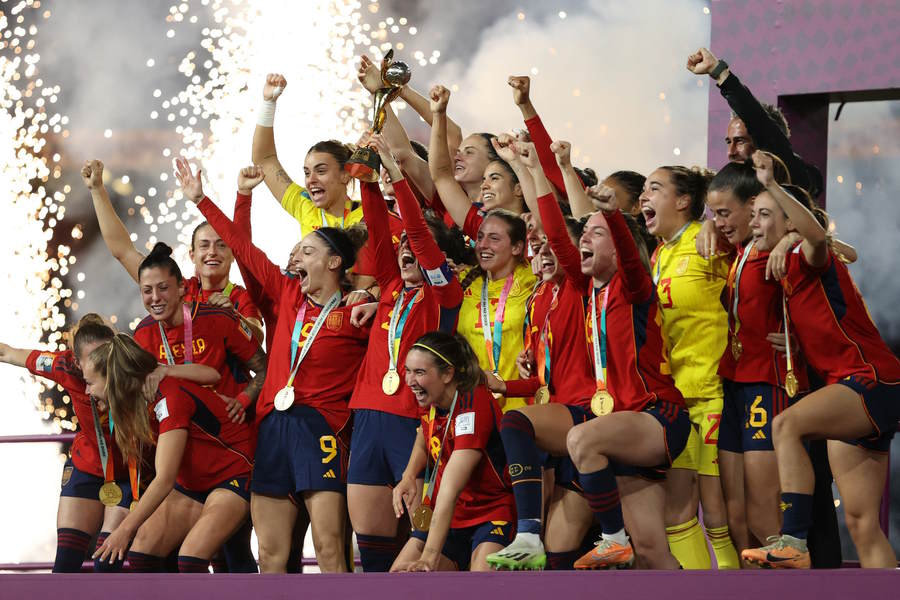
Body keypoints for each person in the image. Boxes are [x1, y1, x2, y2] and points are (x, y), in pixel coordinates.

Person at [175, 158, 371, 573]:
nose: (296, 256)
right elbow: (244, 249)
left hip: (322, 427)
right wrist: (204, 200)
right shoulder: (287, 297)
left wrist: (374, 298)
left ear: (334, 262)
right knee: (270, 556)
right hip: (273, 426)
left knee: (330, 549)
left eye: (308, 251)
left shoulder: (357, 313)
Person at [741, 151, 900, 569]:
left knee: (785, 425)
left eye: (763, 215)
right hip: (858, 390)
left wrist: (773, 185)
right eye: (753, 215)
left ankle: (793, 540)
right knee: (862, 525)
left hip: (870, 380)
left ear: (791, 223)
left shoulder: (805, 254)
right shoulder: (786, 265)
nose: (753, 223)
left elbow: (815, 235)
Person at [539, 169, 689, 570]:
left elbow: (629, 256)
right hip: (620, 430)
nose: (584, 239)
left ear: (619, 249)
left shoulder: (634, 287)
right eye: (584, 233)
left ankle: (613, 539)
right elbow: (559, 237)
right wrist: (531, 167)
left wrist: (615, 218)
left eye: (596, 234)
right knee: (652, 552)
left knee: (580, 439)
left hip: (657, 415)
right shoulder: (587, 291)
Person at [346, 133, 467, 572]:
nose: (404, 249)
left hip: (414, 421)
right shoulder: (391, 288)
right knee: (372, 548)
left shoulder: (443, 293)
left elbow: (414, 231)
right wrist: (367, 177)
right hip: (368, 416)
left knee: (420, 539)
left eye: (415, 246)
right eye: (402, 248)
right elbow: (381, 231)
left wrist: (397, 176)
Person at [481, 165, 596, 571]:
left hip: (586, 418)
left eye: (552, 246)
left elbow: (557, 233)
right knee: (555, 550)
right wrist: (504, 385)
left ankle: (526, 532)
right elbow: (542, 381)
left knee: (567, 543)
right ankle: (532, 538)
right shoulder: (539, 298)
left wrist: (532, 165)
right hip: (554, 425)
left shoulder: (581, 286)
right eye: (537, 246)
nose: (544, 252)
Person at [638, 165, 740, 570]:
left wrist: (715, 225)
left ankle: (735, 589)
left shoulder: (708, 240)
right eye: (643, 189)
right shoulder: (659, 253)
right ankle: (692, 590)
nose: (644, 196)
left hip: (713, 393)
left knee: (717, 511)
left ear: (683, 201)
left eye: (655, 188)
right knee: (677, 512)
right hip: (675, 400)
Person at [88, 334, 254, 572]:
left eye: (90, 383)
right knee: (142, 554)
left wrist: (124, 530)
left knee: (190, 559)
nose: (87, 390)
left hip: (233, 475)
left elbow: (164, 479)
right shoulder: (141, 395)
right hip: (193, 483)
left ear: (113, 381)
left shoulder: (169, 398)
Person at [428, 85, 537, 413]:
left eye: (495, 178)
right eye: (484, 178)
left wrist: (519, 163)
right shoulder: (481, 229)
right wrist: (438, 115)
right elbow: (442, 176)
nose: (485, 185)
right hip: (478, 402)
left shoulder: (537, 238)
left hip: (527, 396)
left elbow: (544, 210)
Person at [82, 160, 263, 342]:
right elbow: (123, 251)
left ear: (233, 255)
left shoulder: (241, 298)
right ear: (192, 255)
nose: (212, 252)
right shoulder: (177, 289)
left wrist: (233, 317)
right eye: (204, 245)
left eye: (221, 245)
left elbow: (257, 338)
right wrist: (97, 190)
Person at [391, 332, 515, 572]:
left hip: (490, 511)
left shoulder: (473, 403)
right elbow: (425, 432)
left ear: (448, 374)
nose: (410, 380)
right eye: (408, 371)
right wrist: (409, 474)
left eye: (419, 372)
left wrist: (429, 557)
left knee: (483, 580)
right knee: (399, 580)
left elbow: (450, 488)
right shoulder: (430, 397)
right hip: (449, 513)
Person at [131, 242, 268, 424]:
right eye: (147, 290)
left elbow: (265, 368)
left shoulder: (218, 318)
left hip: (233, 427)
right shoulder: (142, 334)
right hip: (186, 431)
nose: (155, 297)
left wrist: (242, 400)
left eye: (163, 288)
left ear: (181, 287)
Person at [686, 47, 823, 197]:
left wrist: (718, 71)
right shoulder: (733, 191)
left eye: (740, 141)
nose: (731, 152)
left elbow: (758, 121)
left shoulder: (795, 179)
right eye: (729, 142)